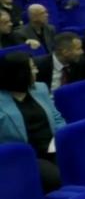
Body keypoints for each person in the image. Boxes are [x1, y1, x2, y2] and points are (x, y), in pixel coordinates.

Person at [0, 52, 65, 193]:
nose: (37, 71)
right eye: (33, 68)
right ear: (20, 73)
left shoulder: (40, 88)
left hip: (53, 146)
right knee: (56, 178)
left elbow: (57, 118)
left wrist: (61, 138)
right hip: (26, 156)